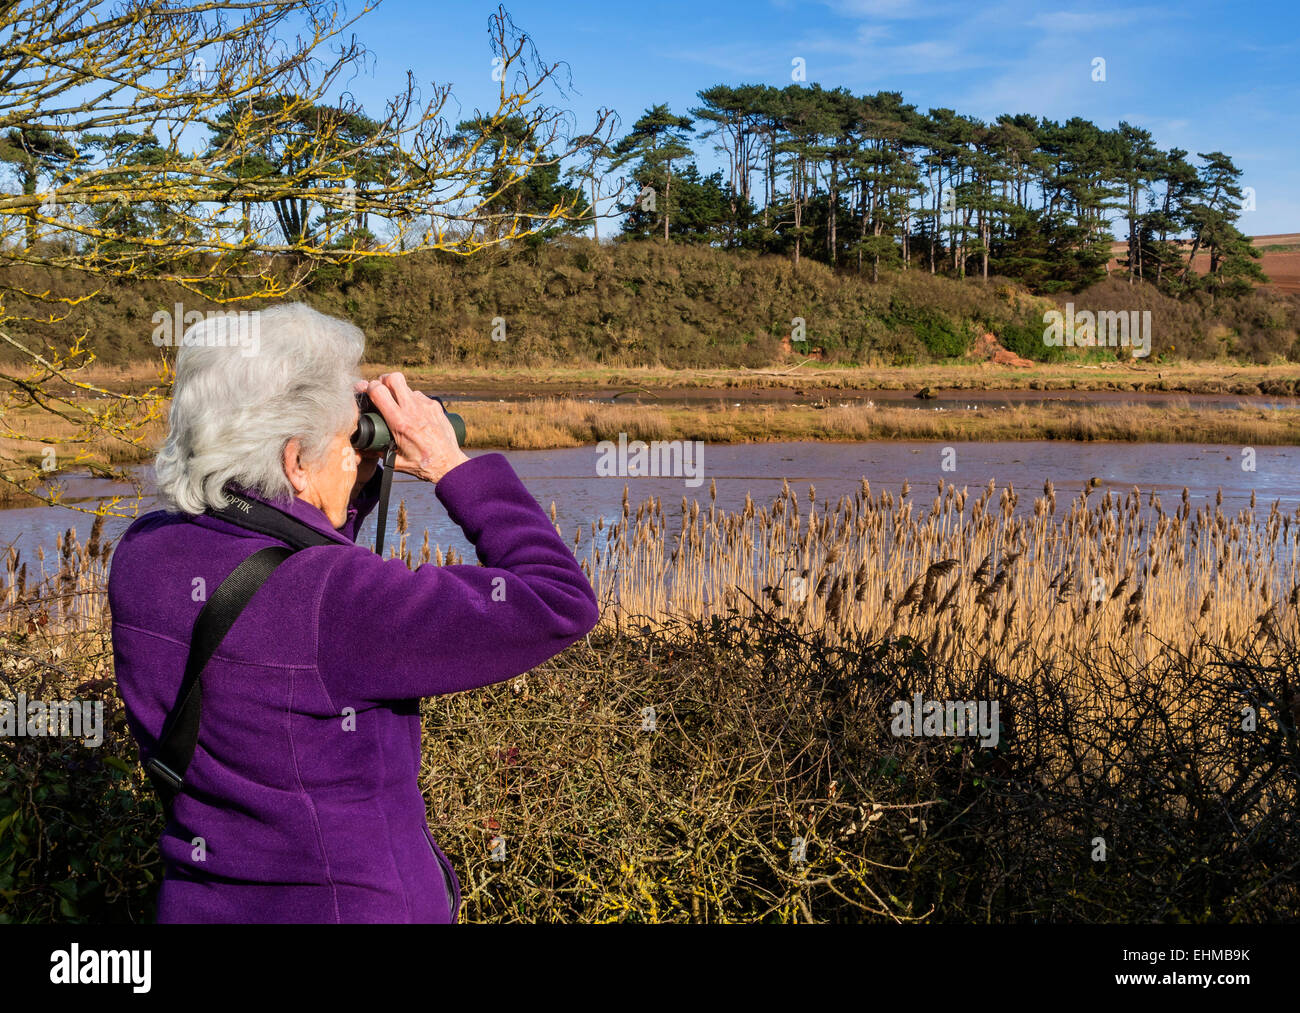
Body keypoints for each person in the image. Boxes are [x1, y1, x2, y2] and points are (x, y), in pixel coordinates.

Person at [108, 303, 599, 923]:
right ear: (294, 460)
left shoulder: (145, 551)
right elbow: (558, 600)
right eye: (351, 438)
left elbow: (284, 563)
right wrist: (452, 466)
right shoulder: (333, 600)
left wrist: (345, 466)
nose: (361, 448)